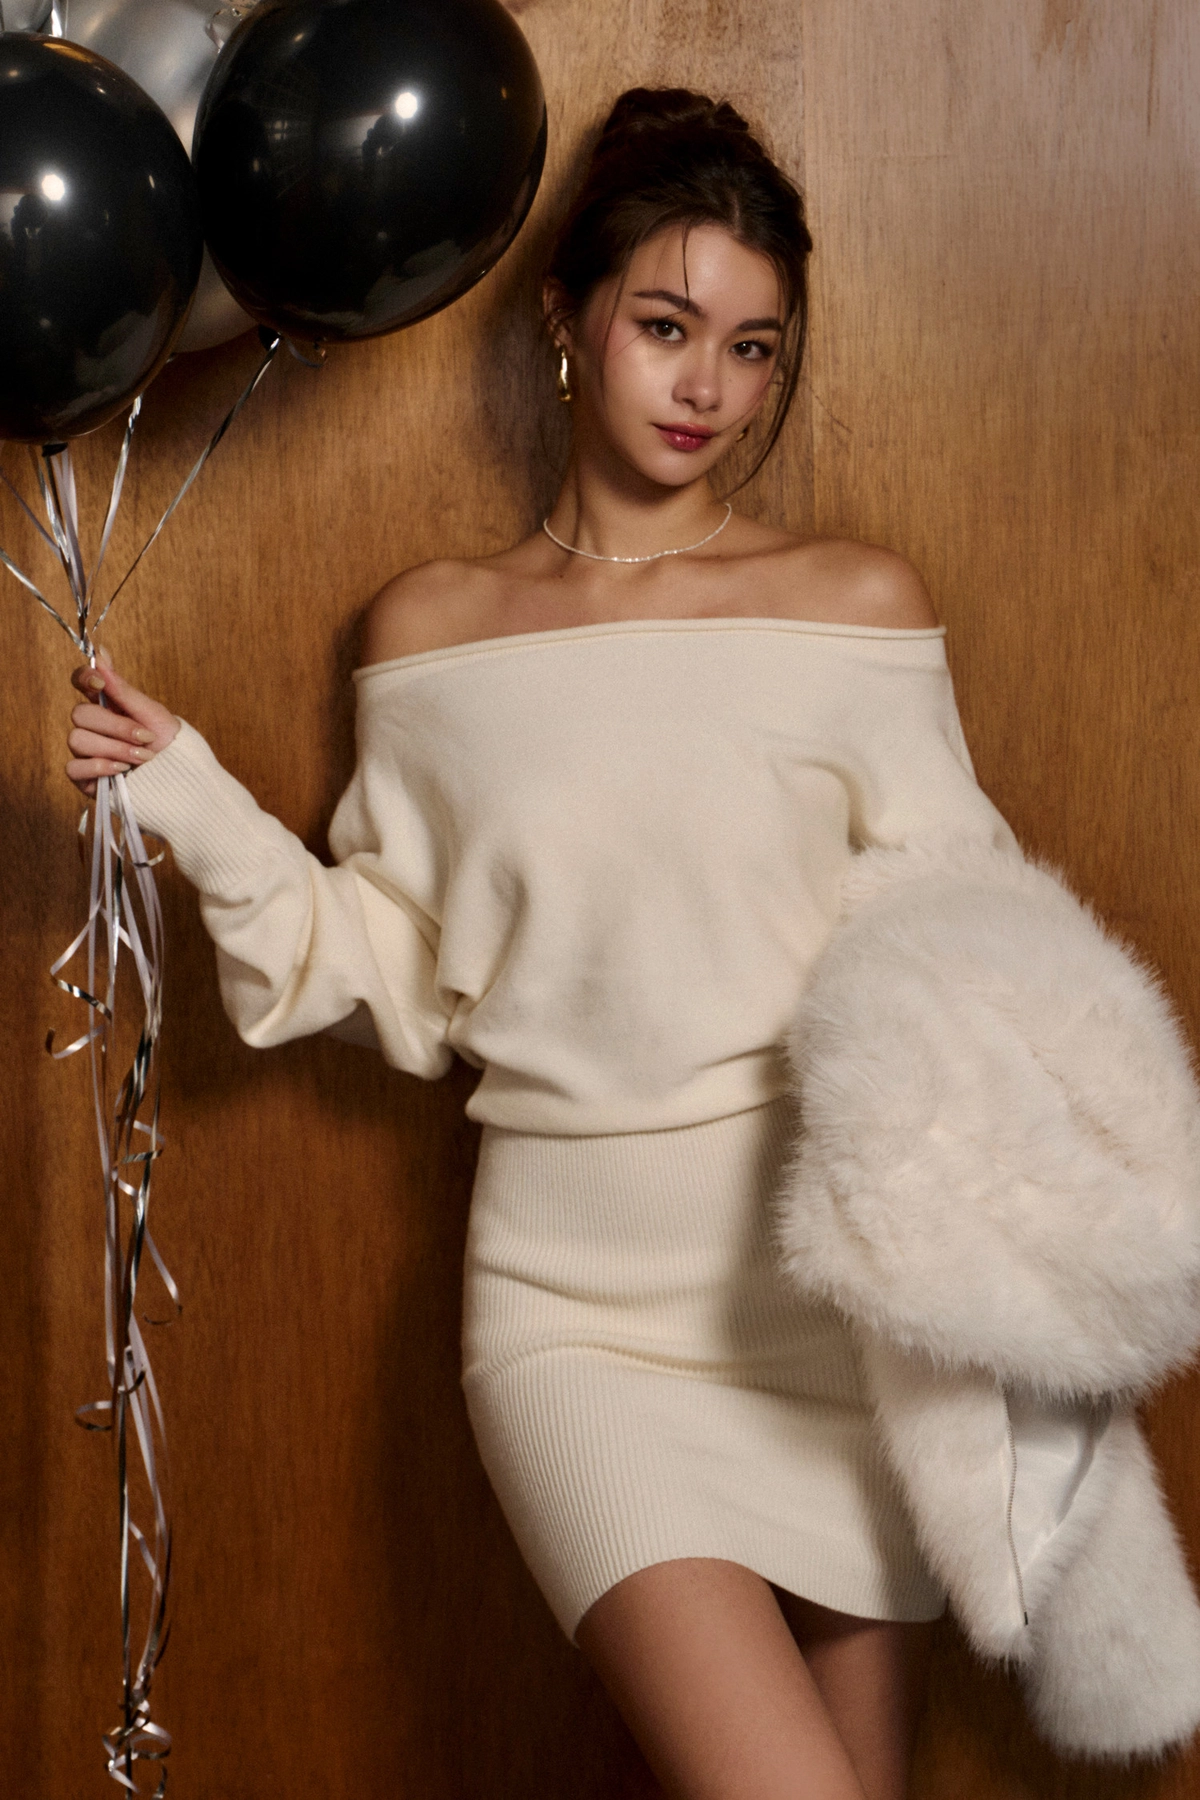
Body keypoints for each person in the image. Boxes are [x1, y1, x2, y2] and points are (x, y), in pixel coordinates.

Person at [65, 88, 1016, 1800]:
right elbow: (393, 969)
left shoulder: (857, 609)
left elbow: (978, 952)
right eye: (666, 326)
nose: (706, 386)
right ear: (568, 323)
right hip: (579, 1325)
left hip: (836, 1312)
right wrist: (189, 793)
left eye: (750, 347)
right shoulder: (431, 631)